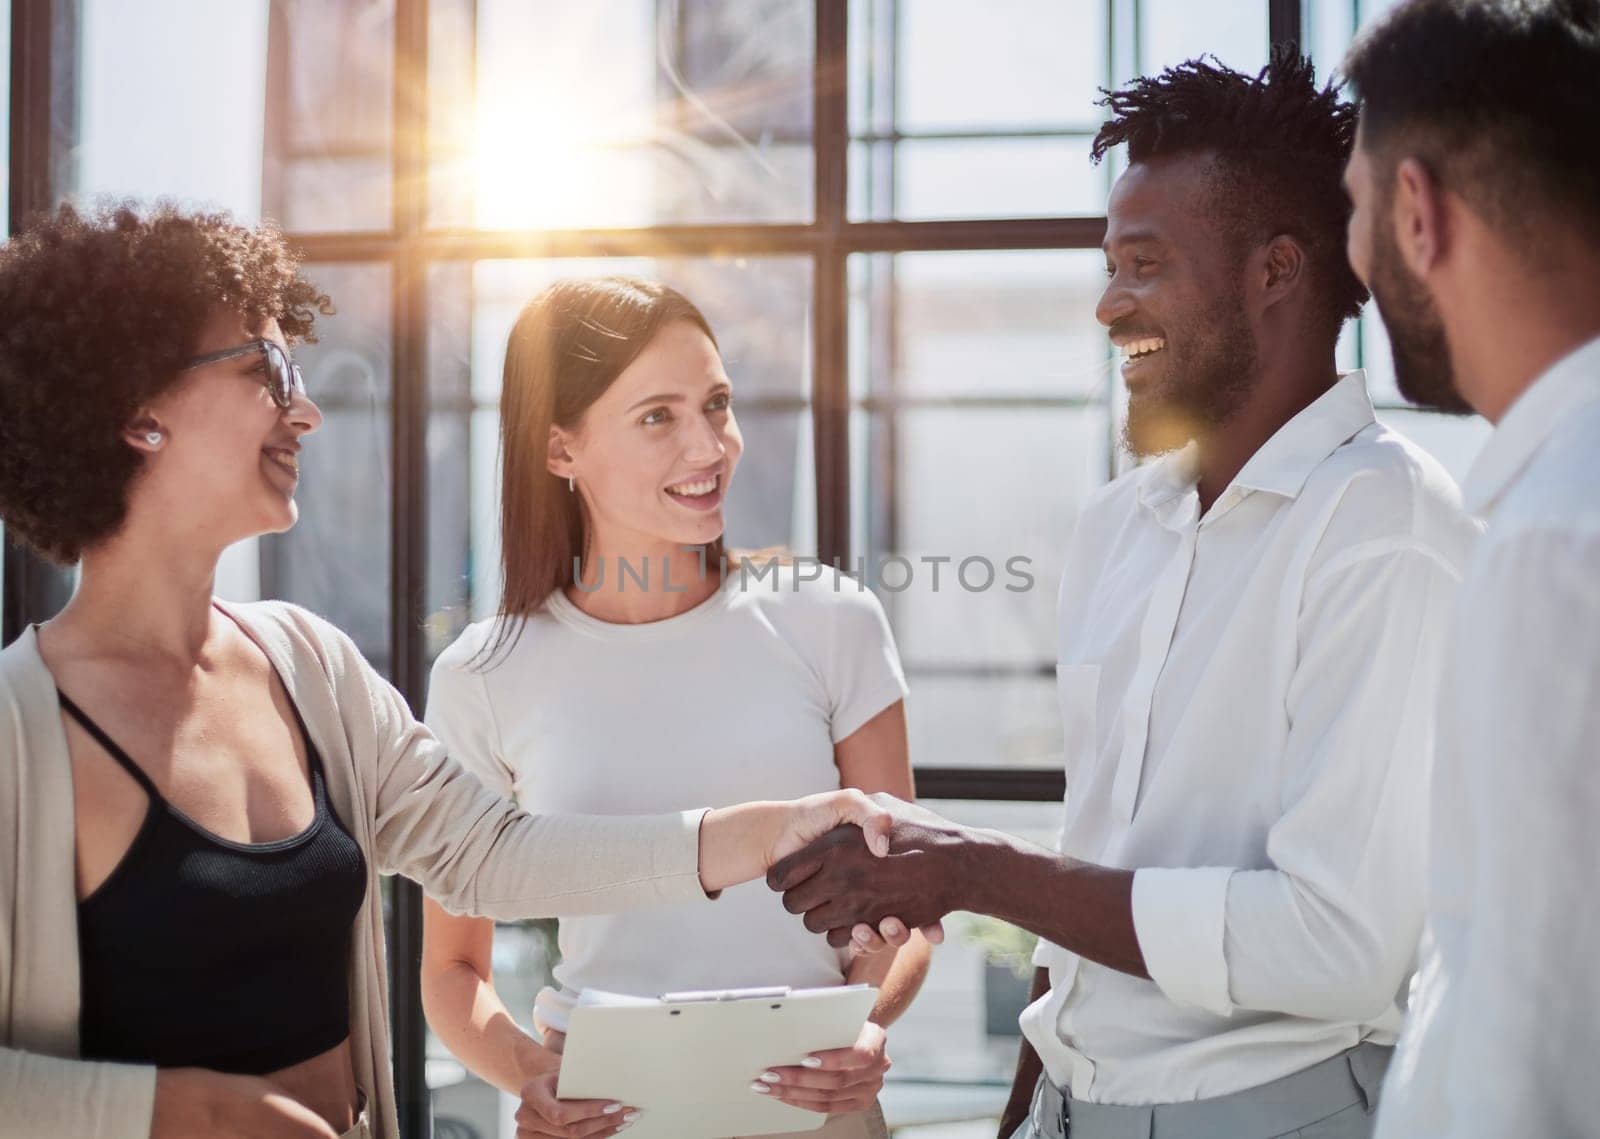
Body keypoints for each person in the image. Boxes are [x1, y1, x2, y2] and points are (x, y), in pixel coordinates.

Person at [0, 204, 897, 1139]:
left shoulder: (309, 667)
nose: (303, 410)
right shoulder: (19, 733)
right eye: (265, 372)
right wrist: (194, 1112)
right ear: (141, 415)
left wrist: (771, 830)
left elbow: (494, 856)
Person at [769, 53, 1478, 1139]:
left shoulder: (1387, 524)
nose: (1108, 304)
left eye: (1143, 264)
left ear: (1275, 268)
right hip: (1067, 1104)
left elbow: (1337, 946)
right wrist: (1024, 1105)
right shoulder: (1118, 526)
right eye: (1108, 264)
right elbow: (1092, 860)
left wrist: (974, 870)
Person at [420, 277, 931, 1139]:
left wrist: (869, 1021)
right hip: (605, 1119)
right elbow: (453, 967)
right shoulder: (484, 674)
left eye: (717, 404)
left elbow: (906, 905)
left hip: (816, 1119)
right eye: (658, 416)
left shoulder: (830, 619)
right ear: (560, 450)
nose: (711, 445)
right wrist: (531, 1072)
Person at [1338, 2, 1600, 1134]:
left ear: (1413, 210)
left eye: (1352, 207)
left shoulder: (1554, 538)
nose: (1354, 264)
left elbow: (1531, 1038)